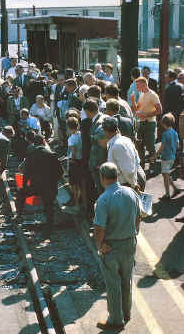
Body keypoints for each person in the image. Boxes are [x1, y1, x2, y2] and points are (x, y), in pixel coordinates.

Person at [94, 162, 142, 331]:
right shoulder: (131, 193)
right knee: (126, 279)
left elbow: (99, 228)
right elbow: (139, 216)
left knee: (113, 283)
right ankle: (126, 313)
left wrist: (100, 245)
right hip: (129, 243)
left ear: (102, 178)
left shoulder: (103, 199)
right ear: (117, 176)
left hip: (111, 247)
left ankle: (116, 319)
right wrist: (134, 233)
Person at [16, 134, 63, 238]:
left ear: (34, 143)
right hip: (49, 187)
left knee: (20, 194)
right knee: (49, 207)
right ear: (43, 141)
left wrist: (24, 186)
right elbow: (60, 172)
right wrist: (53, 183)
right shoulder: (52, 154)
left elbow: (26, 173)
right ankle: (49, 230)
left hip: (34, 186)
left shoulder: (30, 154)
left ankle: (19, 215)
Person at [102, 117, 145, 191]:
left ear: (106, 131)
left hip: (128, 185)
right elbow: (137, 158)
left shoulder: (117, 146)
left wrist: (134, 185)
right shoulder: (125, 139)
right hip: (134, 178)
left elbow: (128, 170)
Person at [131, 77, 162, 173]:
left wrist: (146, 115)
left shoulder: (153, 95)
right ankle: (142, 167)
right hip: (141, 123)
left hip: (150, 124)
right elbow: (137, 110)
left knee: (150, 147)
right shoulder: (141, 94)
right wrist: (132, 100)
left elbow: (160, 110)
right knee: (139, 145)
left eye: (138, 85)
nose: (136, 87)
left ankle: (153, 167)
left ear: (144, 84)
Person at [83, 99, 108, 195]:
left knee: (102, 190)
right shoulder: (103, 117)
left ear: (87, 111)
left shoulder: (98, 123)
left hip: (99, 163)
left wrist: (100, 163)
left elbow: (102, 144)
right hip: (100, 162)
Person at [155, 113, 181, 200]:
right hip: (172, 157)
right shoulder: (175, 132)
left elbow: (162, 147)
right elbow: (177, 145)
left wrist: (155, 155)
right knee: (165, 173)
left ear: (163, 124)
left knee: (165, 175)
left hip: (166, 157)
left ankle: (167, 194)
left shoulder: (165, 134)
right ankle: (175, 188)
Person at [66, 117, 84, 207]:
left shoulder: (71, 138)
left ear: (69, 127)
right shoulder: (81, 135)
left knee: (74, 184)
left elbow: (73, 151)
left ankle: (76, 202)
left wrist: (71, 160)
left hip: (74, 162)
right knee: (80, 183)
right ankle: (80, 201)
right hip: (81, 160)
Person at [163, 69, 184, 134]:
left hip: (170, 113)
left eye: (166, 77)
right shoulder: (181, 86)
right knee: (178, 131)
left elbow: (166, 102)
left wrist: (165, 112)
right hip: (180, 112)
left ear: (171, 78)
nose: (165, 78)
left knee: (170, 131)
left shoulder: (168, 88)